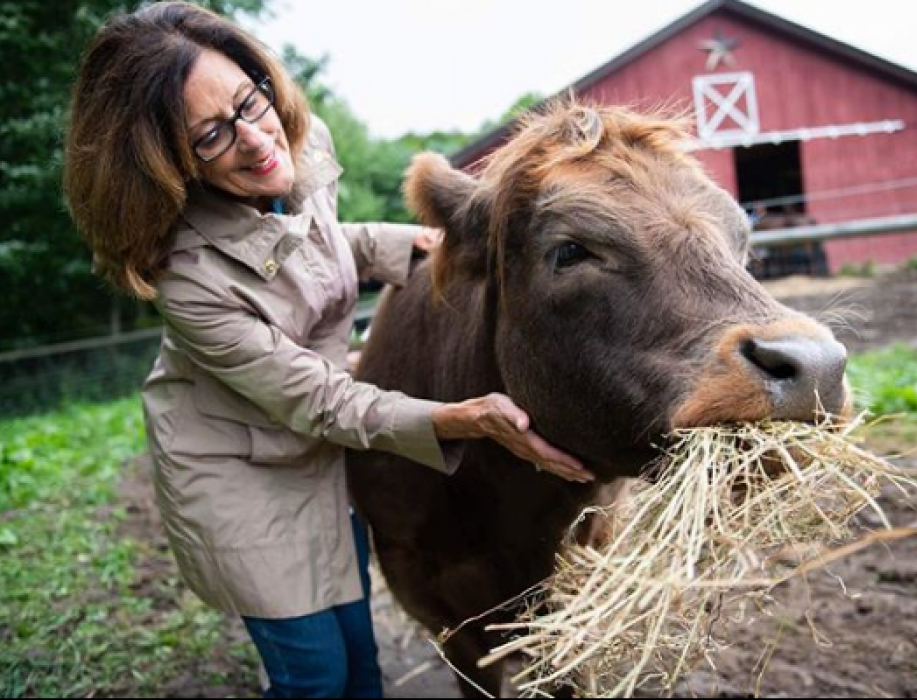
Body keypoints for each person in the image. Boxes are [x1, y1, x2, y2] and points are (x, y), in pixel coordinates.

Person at [63, 3, 594, 697]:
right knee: (315, 675)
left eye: (249, 102)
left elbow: (313, 241)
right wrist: (459, 419)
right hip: (242, 474)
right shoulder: (186, 277)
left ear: (261, 79)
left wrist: (410, 244)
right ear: (168, 166)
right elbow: (320, 398)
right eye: (211, 137)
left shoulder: (294, 151)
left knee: (360, 662)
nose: (255, 139)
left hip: (313, 455)